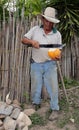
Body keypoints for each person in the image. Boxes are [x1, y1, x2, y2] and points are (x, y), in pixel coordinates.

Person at [22, 7, 62, 120]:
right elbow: (23, 39)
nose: (48, 23)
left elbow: (59, 50)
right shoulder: (35, 30)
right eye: (46, 20)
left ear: (53, 22)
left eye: (50, 21)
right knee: (35, 85)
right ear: (43, 19)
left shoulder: (57, 34)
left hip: (50, 64)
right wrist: (32, 41)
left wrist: (58, 56)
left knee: (53, 87)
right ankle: (35, 104)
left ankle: (55, 109)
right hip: (36, 63)